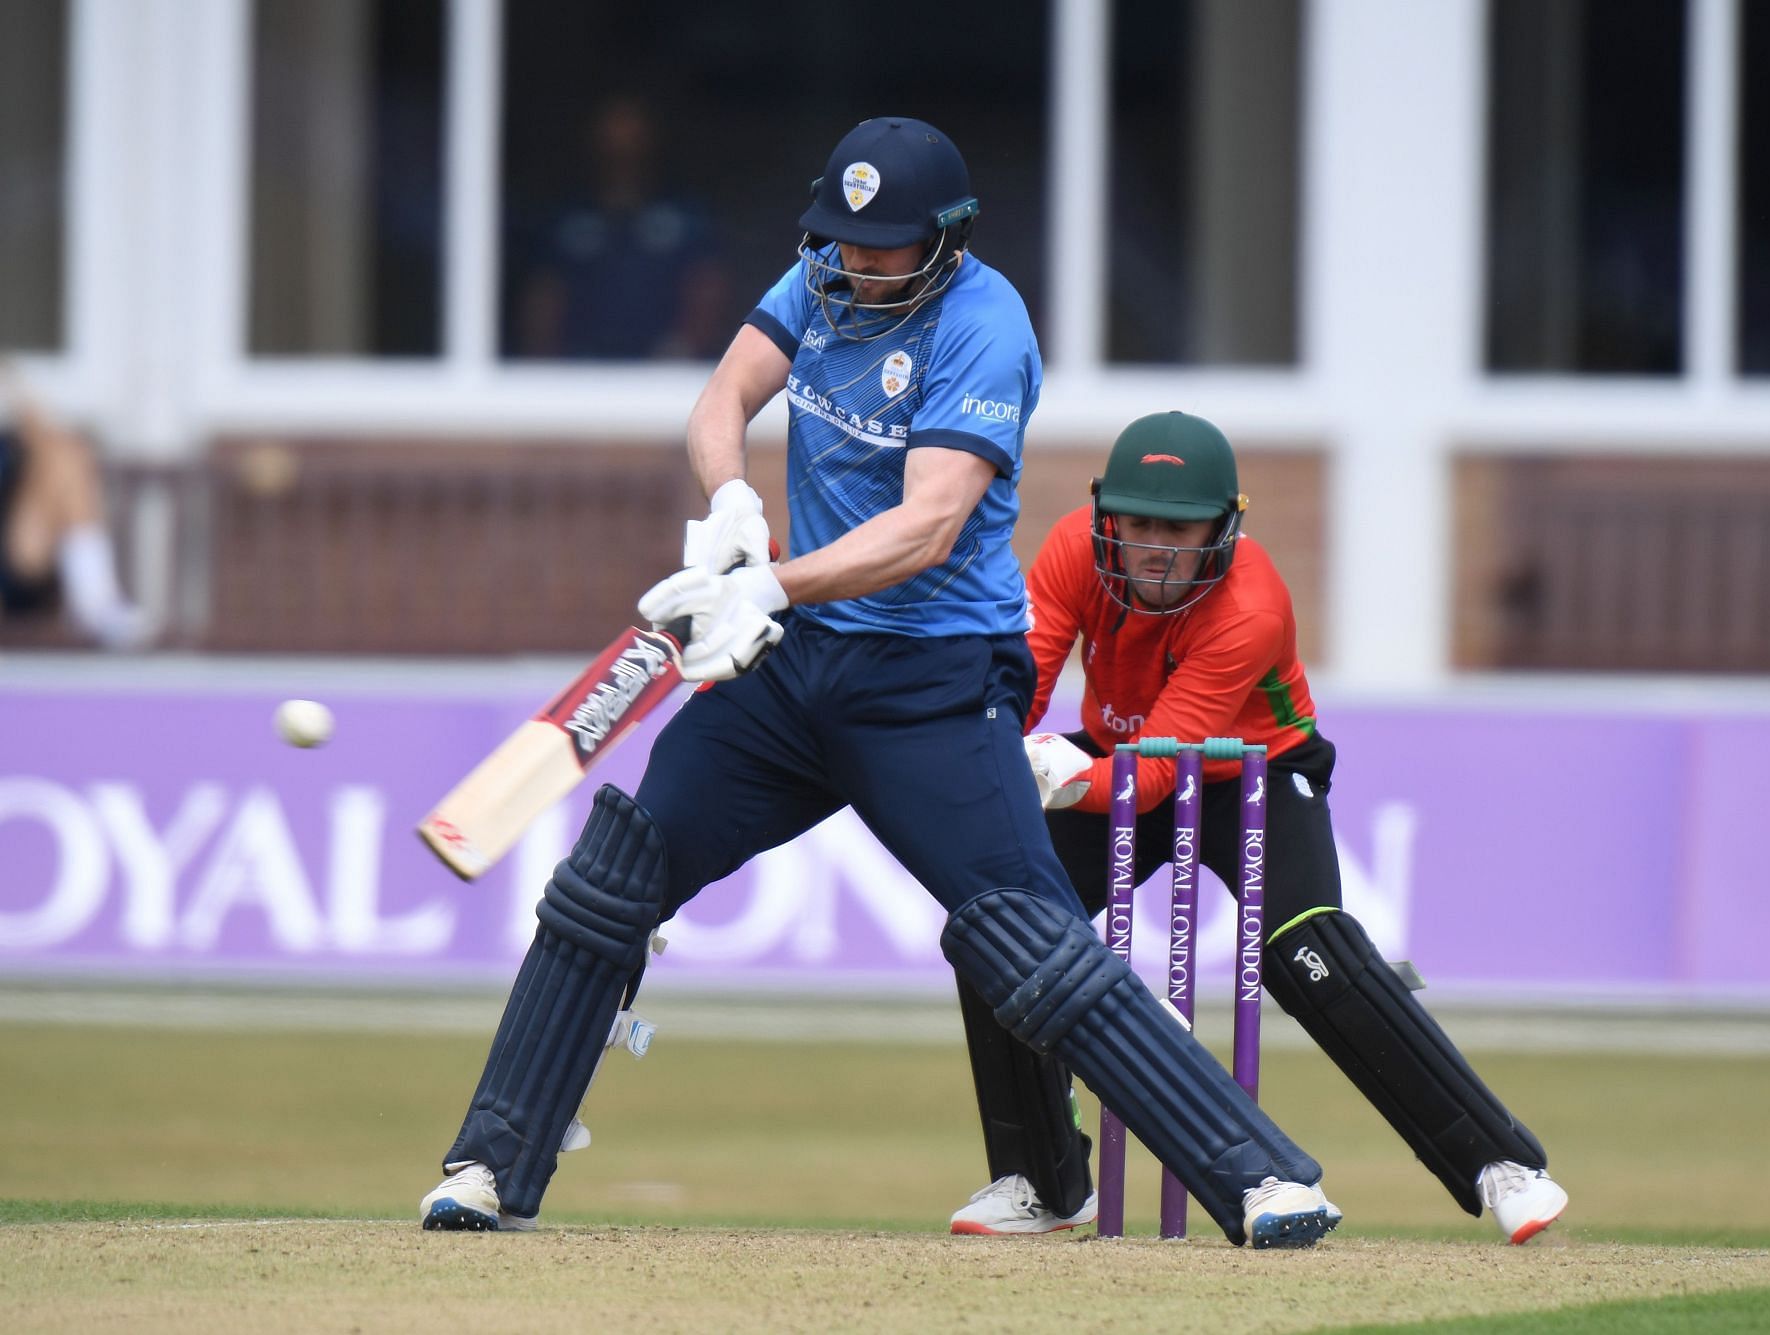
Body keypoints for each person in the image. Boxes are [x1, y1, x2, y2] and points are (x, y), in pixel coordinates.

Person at [420, 118, 1342, 1248]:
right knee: (618, 872)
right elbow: (722, 400)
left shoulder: (984, 324)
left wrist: (770, 588)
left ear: (946, 240)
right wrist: (729, 511)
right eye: (844, 242)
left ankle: (1255, 1177)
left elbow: (928, 523)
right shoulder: (822, 272)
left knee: (1027, 935)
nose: (858, 263)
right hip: (795, 667)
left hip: (935, 678)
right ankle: (491, 1164)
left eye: (884, 247)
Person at [944, 411, 1570, 1245]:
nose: (1156, 548)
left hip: (1256, 769)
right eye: (1138, 525)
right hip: (1123, 746)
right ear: (1105, 516)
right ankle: (1046, 1183)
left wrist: (1064, 777)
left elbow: (1166, 774)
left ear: (1223, 525)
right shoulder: (1068, 550)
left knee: (1308, 953)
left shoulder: (1251, 601)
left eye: (1179, 527)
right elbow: (1023, 678)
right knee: (1000, 926)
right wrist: (1007, 752)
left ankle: (1502, 1164)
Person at [515, 92, 732, 361]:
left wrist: (679, 353)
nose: (622, 139)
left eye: (632, 125)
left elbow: (707, 290)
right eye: (613, 125)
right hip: (578, 373)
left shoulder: (685, 218)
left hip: (666, 373)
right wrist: (550, 366)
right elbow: (544, 300)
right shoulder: (566, 220)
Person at [0, 362, 152, 649]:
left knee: (66, 455)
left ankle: (95, 603)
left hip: (24, 554)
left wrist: (13, 386)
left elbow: (35, 424)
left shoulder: (21, 441)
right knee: (63, 456)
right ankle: (94, 602)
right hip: (21, 560)